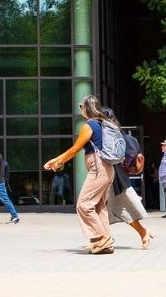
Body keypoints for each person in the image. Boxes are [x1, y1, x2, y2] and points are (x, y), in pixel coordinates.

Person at [44, 96, 117, 254]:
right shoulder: (104, 123)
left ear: (86, 107)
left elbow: (75, 149)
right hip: (108, 168)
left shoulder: (90, 124)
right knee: (99, 207)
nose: (80, 109)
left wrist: (57, 160)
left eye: (80, 106)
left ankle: (103, 237)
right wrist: (59, 161)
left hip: (98, 167)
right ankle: (104, 243)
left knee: (83, 204)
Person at [103, 108, 154, 249]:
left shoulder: (112, 135)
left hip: (114, 177)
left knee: (111, 208)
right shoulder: (123, 135)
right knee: (110, 209)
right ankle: (104, 238)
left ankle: (105, 239)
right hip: (116, 177)